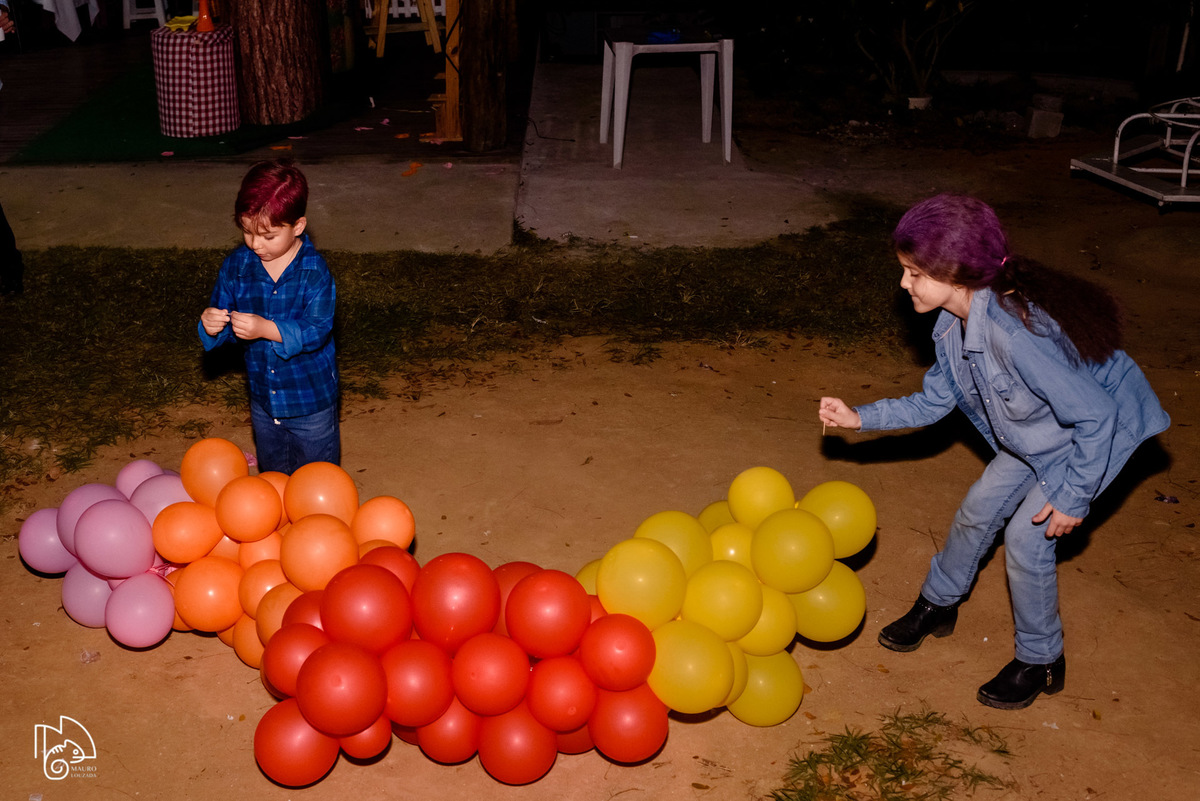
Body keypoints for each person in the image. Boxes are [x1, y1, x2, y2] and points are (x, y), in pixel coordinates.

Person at [817, 193, 1169, 710]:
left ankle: (1041, 659)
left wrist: (1074, 496)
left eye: (914, 273)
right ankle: (939, 604)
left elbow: (1096, 415)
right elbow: (936, 401)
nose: (904, 283)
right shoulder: (953, 326)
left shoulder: (1014, 334)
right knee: (978, 509)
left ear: (955, 275)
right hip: (1039, 432)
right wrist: (860, 417)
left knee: (1027, 543)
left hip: (1089, 435)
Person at [198, 159, 340, 474]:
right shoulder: (237, 266)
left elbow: (317, 329)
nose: (255, 244)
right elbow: (221, 314)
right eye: (247, 232)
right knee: (273, 475)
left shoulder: (313, 272)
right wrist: (211, 324)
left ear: (298, 227)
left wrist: (266, 328)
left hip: (310, 402)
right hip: (264, 399)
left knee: (318, 477)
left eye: (268, 236)